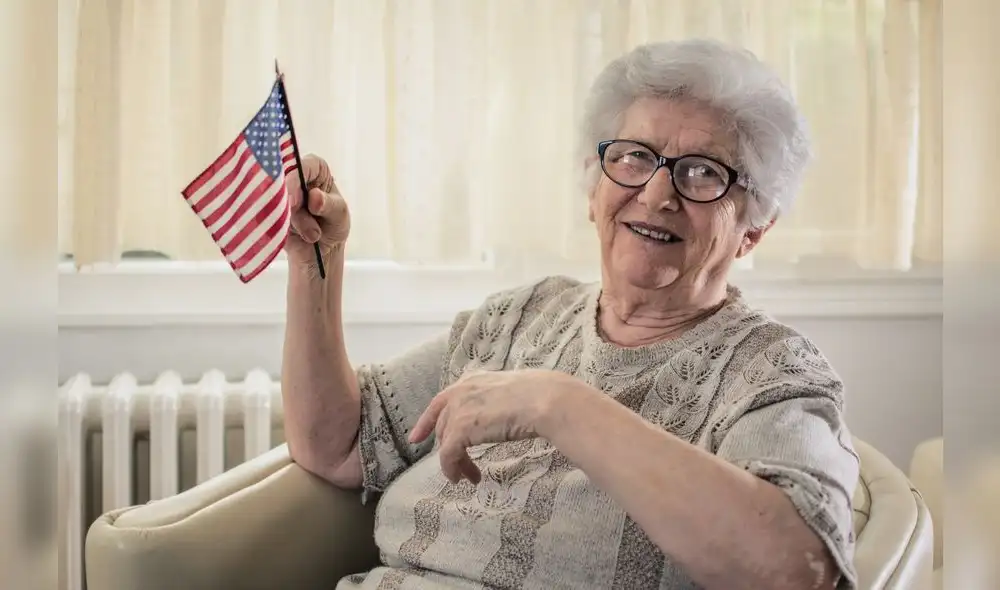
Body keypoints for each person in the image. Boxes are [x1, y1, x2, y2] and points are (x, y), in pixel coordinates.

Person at [281, 38, 859, 590]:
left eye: (704, 171)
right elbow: (336, 445)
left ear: (754, 226)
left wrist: (558, 404)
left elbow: (795, 570)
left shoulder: (772, 370)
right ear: (593, 187)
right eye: (635, 157)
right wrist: (317, 262)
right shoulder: (522, 317)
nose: (658, 193)